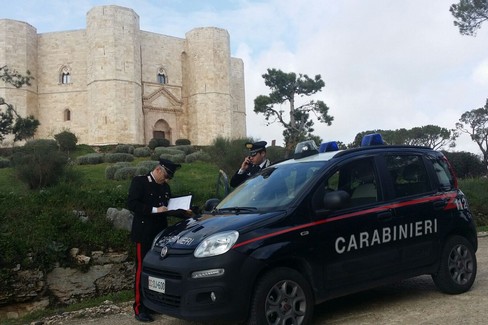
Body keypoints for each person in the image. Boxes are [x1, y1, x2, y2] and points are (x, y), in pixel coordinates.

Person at [127, 158, 190, 322]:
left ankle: (153, 304)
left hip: (161, 235)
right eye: (167, 175)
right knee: (142, 270)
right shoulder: (140, 182)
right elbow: (132, 204)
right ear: (158, 170)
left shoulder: (165, 187)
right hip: (144, 234)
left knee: (157, 271)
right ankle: (139, 307)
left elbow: (169, 208)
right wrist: (155, 209)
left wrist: (185, 212)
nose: (167, 180)